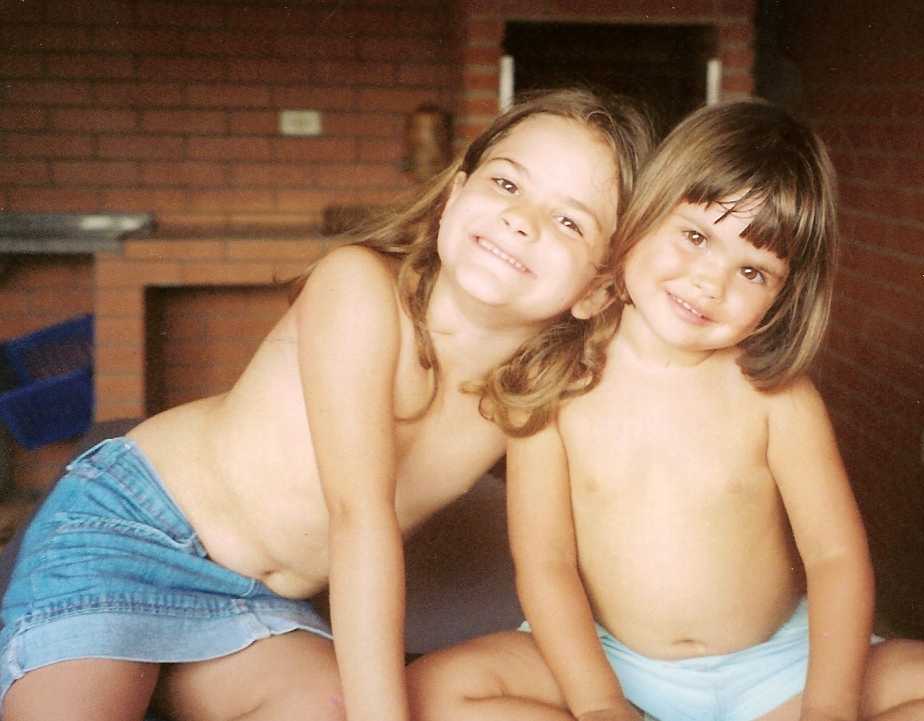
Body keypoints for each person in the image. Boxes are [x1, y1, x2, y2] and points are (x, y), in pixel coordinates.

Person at [0, 88, 654, 721]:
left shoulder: (532, 393)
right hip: (132, 529)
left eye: (569, 221)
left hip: (255, 603)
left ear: (598, 290)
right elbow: (359, 519)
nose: (521, 220)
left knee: (330, 704)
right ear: (453, 197)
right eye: (507, 183)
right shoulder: (359, 286)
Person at [406, 99, 924, 721]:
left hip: (776, 668)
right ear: (642, 218)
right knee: (432, 690)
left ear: (783, 298)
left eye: (753, 271)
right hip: (606, 660)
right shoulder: (556, 381)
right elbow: (547, 565)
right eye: (696, 236)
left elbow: (835, 559)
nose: (710, 282)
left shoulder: (776, 397)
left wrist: (829, 707)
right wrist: (598, 704)